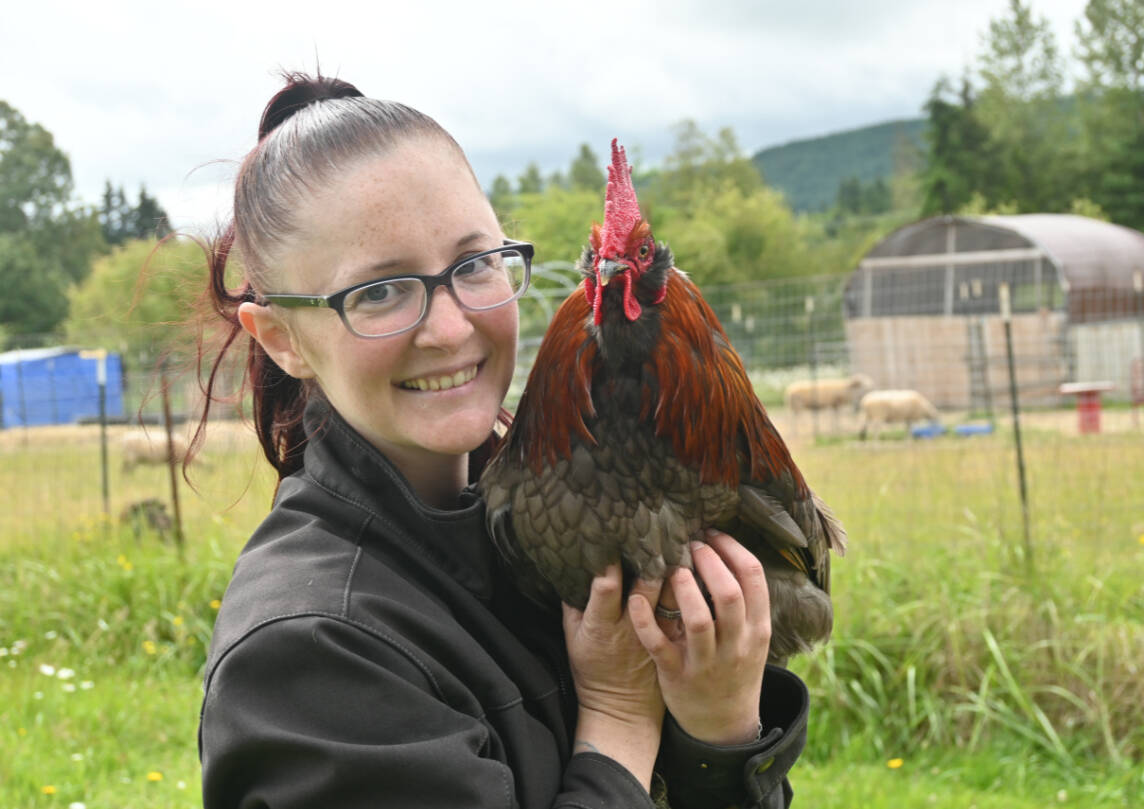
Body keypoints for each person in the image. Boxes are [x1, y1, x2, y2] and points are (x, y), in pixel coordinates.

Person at [195, 72, 810, 809]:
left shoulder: (528, 528)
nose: (451, 329)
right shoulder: (308, 658)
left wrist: (717, 739)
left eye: (474, 263)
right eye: (380, 290)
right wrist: (619, 717)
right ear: (284, 339)